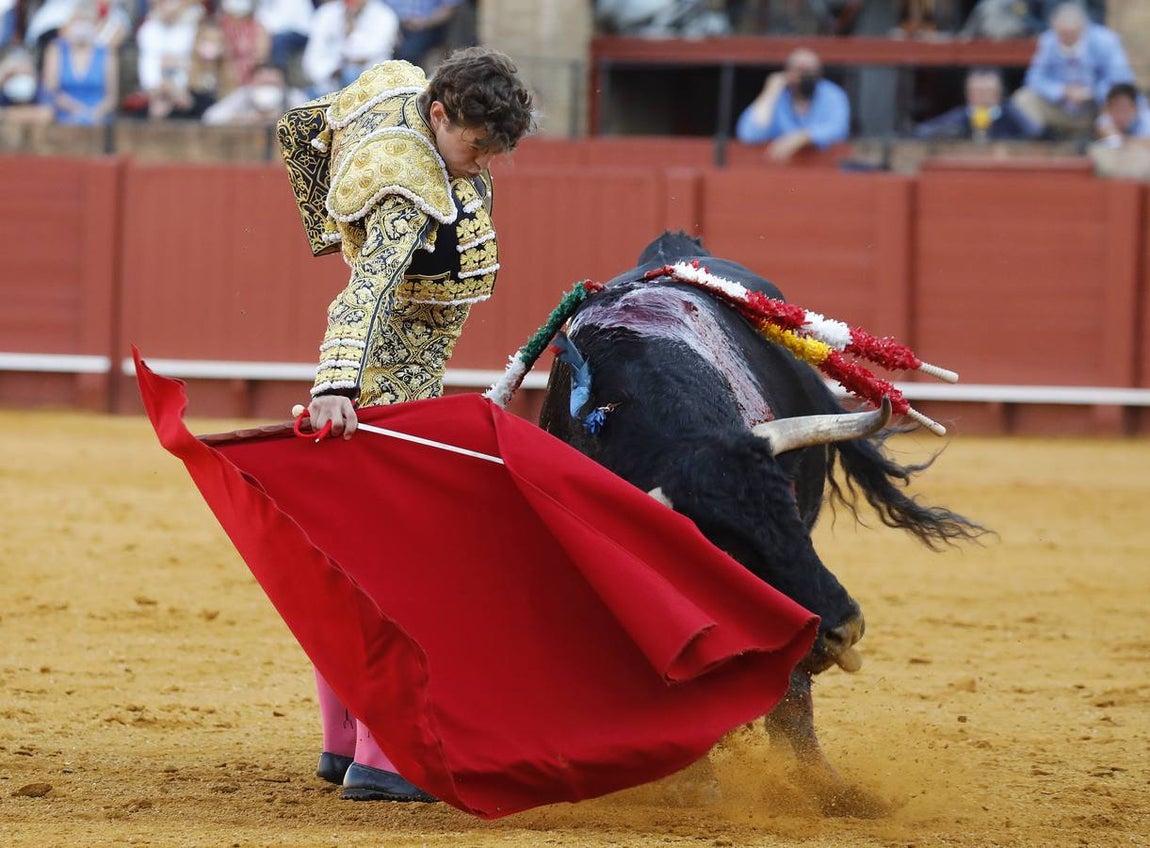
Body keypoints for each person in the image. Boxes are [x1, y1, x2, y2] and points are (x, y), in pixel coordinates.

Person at [276, 45, 535, 802]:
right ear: (439, 114)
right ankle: (384, 761)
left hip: (398, 377)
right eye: (475, 147)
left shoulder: (396, 81)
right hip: (386, 386)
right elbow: (362, 297)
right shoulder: (406, 191)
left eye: (497, 153)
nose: (482, 166)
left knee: (356, 561)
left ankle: (339, 745)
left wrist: (326, 229)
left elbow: (297, 128)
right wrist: (335, 386)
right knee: (404, 567)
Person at [1010, 1, 1135, 140]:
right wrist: (1062, 91)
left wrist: (1090, 93)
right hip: (1061, 107)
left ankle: (1111, 144)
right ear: (1054, 27)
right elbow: (1034, 78)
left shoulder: (1105, 41)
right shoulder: (1049, 40)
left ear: (1083, 27)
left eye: (1072, 34)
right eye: (1063, 34)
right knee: (1023, 99)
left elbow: (1122, 79)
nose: (1067, 38)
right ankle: (1042, 142)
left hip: (1097, 107)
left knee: (1120, 101)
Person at [735, 46, 850, 161]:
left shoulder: (832, 94)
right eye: (801, 70)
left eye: (811, 70)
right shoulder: (778, 96)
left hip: (824, 170)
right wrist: (770, 92)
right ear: (788, 73)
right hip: (780, 171)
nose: (807, 76)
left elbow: (838, 130)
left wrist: (802, 138)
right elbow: (749, 134)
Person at [40, 2, 118, 125]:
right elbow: (51, 90)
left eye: (86, 21)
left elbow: (111, 97)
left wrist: (94, 114)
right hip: (63, 117)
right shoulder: (57, 49)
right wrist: (77, 110)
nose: (82, 26)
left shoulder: (105, 52)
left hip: (98, 120)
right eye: (78, 21)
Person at [300, 0, 399, 96]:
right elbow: (311, 58)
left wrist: (350, 26)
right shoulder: (326, 13)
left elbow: (362, 54)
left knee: (351, 73)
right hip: (326, 87)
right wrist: (332, 70)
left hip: (370, 89)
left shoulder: (384, 15)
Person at [913, 67, 1040, 141]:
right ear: (969, 94)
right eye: (978, 92)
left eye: (987, 92)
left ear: (998, 93)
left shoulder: (1010, 113)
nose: (982, 96)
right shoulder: (961, 116)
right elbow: (924, 131)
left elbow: (1035, 134)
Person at [136, 0, 199, 118]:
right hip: (154, 89)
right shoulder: (148, 30)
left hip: (184, 89)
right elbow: (148, 66)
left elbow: (193, 63)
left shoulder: (190, 30)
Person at [202, 61, 305, 123]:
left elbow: (310, 121)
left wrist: (283, 118)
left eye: (273, 84)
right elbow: (210, 117)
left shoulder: (292, 96)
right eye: (264, 83)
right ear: (254, 82)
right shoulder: (243, 95)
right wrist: (242, 119)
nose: (268, 88)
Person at [382, 0, 460, 68]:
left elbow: (449, 8)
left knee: (408, 53)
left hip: (428, 27)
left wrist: (424, 23)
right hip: (389, 24)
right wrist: (392, 28)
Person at [254, 0, 314, 73]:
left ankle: (278, 73)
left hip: (301, 32)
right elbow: (260, 18)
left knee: (278, 40)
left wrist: (265, 31)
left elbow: (283, 23)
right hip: (278, 32)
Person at [0, 46, 54, 124]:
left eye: (25, 73)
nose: (20, 78)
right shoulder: (4, 90)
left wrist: (7, 113)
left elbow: (47, 114)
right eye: (14, 74)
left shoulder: (40, 88)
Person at [1094, 82, 1150, 147]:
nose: (1121, 114)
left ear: (1135, 108)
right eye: (1116, 109)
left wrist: (1122, 140)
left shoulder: (1146, 120)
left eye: (1125, 109)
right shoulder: (1104, 121)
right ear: (1107, 109)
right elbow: (1114, 140)